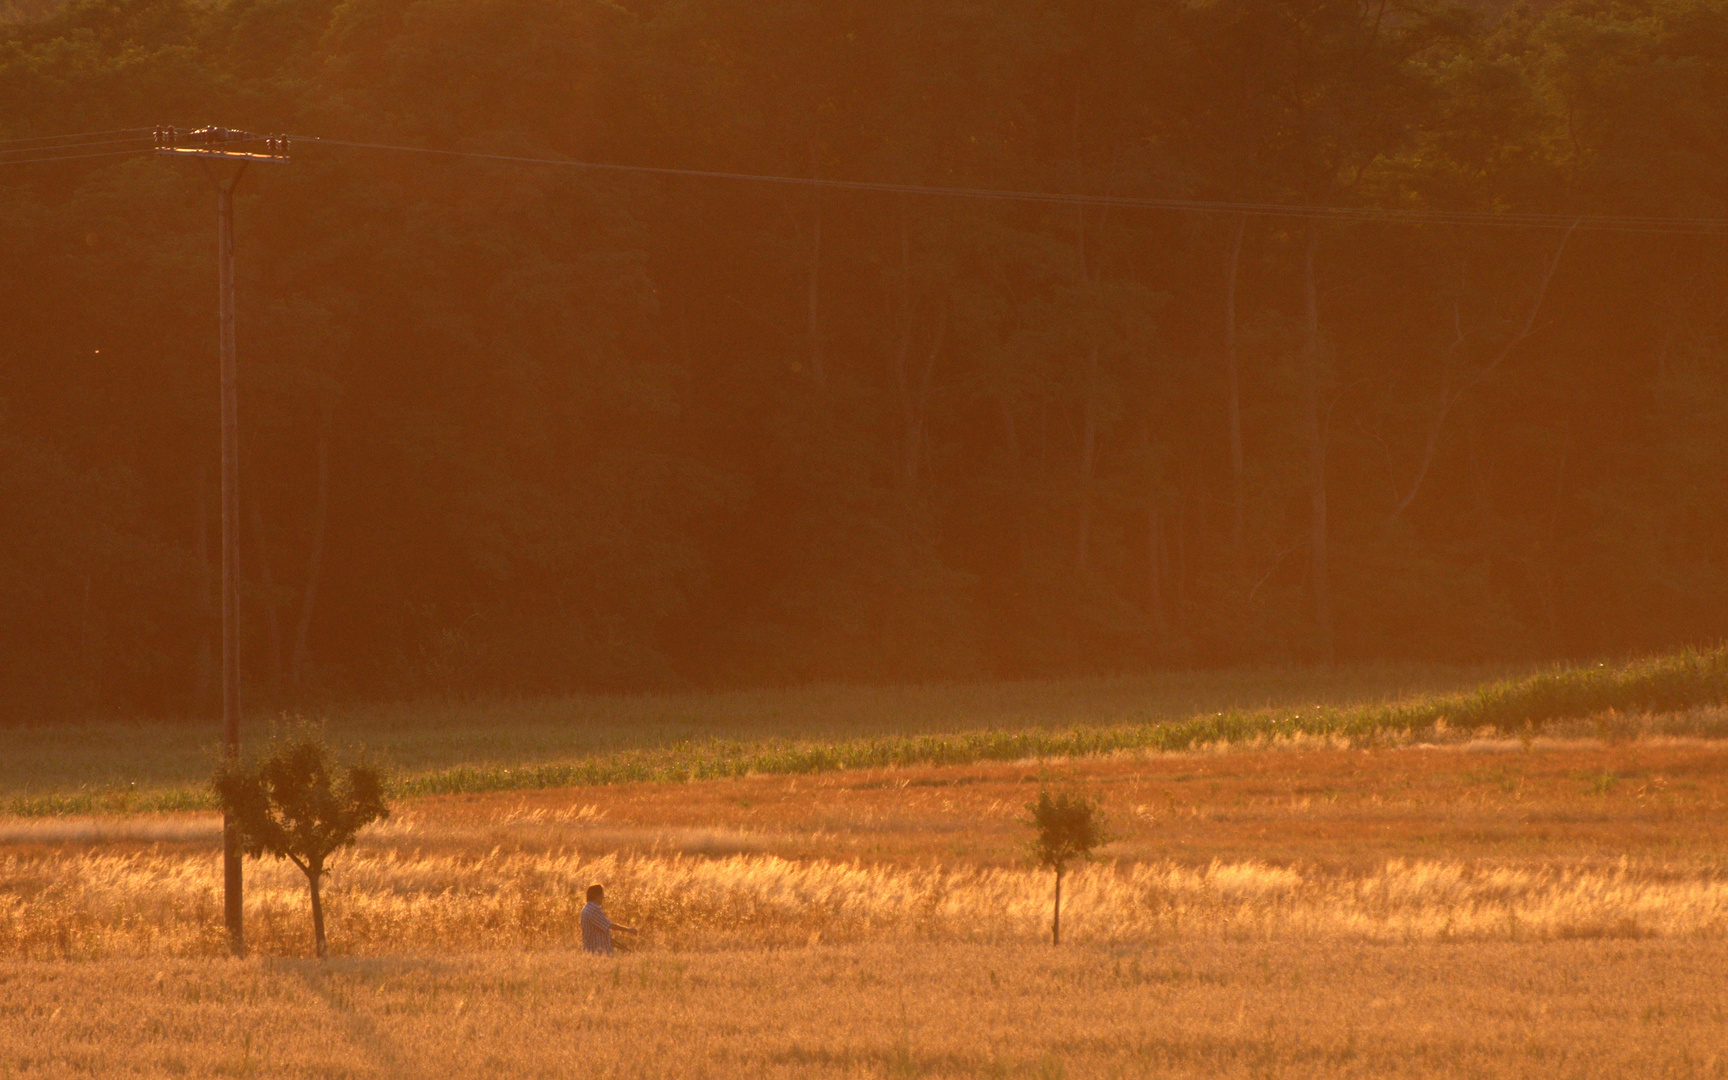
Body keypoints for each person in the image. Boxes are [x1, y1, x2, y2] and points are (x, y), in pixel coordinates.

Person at [579, 883, 638, 956]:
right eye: (602, 894)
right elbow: (609, 925)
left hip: (591, 950)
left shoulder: (586, 908)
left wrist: (609, 940)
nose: (603, 897)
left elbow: (596, 929)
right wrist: (629, 930)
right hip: (598, 953)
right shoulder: (593, 910)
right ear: (597, 896)